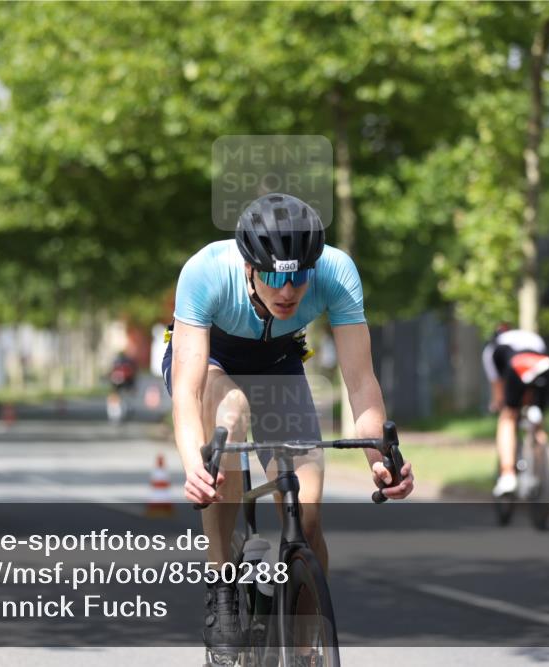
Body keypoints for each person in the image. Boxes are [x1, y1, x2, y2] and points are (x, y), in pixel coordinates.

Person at [162, 193, 414, 657]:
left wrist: (380, 459)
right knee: (231, 410)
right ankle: (221, 585)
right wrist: (193, 463)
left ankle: (303, 648)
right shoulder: (206, 271)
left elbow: (360, 381)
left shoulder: (336, 272)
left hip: (278, 364)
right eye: (275, 276)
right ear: (249, 266)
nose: (287, 291)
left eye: (297, 277)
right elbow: (188, 388)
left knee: (309, 510)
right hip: (211, 365)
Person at [481, 323, 549, 497]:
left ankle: (507, 475)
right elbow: (531, 374)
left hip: (516, 365)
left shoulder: (491, 350)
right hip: (543, 364)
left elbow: (498, 390)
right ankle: (541, 464)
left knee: (508, 417)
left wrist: (498, 404)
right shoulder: (532, 337)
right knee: (537, 418)